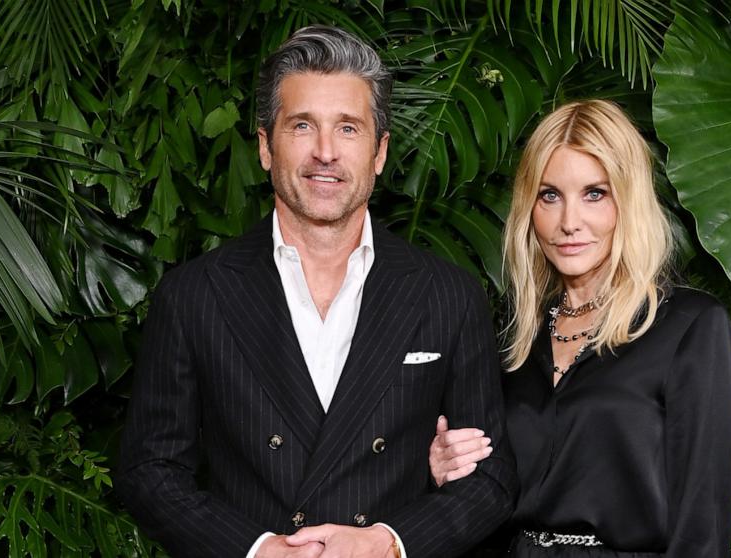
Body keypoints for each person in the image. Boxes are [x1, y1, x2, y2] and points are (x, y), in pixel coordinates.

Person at [117, 25, 515, 558]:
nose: (326, 152)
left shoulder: (448, 295)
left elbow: (490, 479)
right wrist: (258, 550)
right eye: (302, 125)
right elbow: (151, 470)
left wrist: (390, 543)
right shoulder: (194, 296)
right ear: (265, 146)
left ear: (379, 152)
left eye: (348, 129)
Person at [428, 100, 731, 557]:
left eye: (595, 193)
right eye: (549, 195)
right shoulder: (513, 338)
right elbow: (486, 501)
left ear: (628, 201)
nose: (569, 222)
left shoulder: (689, 327)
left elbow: (701, 523)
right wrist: (441, 471)